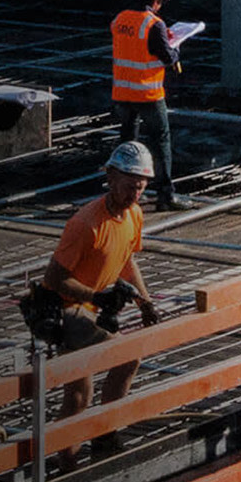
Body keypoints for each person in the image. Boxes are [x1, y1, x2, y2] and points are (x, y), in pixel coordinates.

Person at [42, 140, 161, 465]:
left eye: (139, 188)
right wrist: (95, 296)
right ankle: (71, 458)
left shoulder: (134, 215)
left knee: (117, 366)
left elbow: (126, 261)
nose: (134, 196)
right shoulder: (85, 224)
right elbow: (54, 279)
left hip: (94, 308)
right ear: (110, 178)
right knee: (81, 394)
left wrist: (144, 301)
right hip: (67, 310)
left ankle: (103, 435)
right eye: (128, 188)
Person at [112, 0, 193, 210]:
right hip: (147, 94)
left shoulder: (119, 20)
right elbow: (167, 57)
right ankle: (166, 195)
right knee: (161, 140)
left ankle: (120, 189)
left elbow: (133, 47)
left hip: (122, 94)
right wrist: (175, 49)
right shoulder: (154, 24)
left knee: (127, 141)